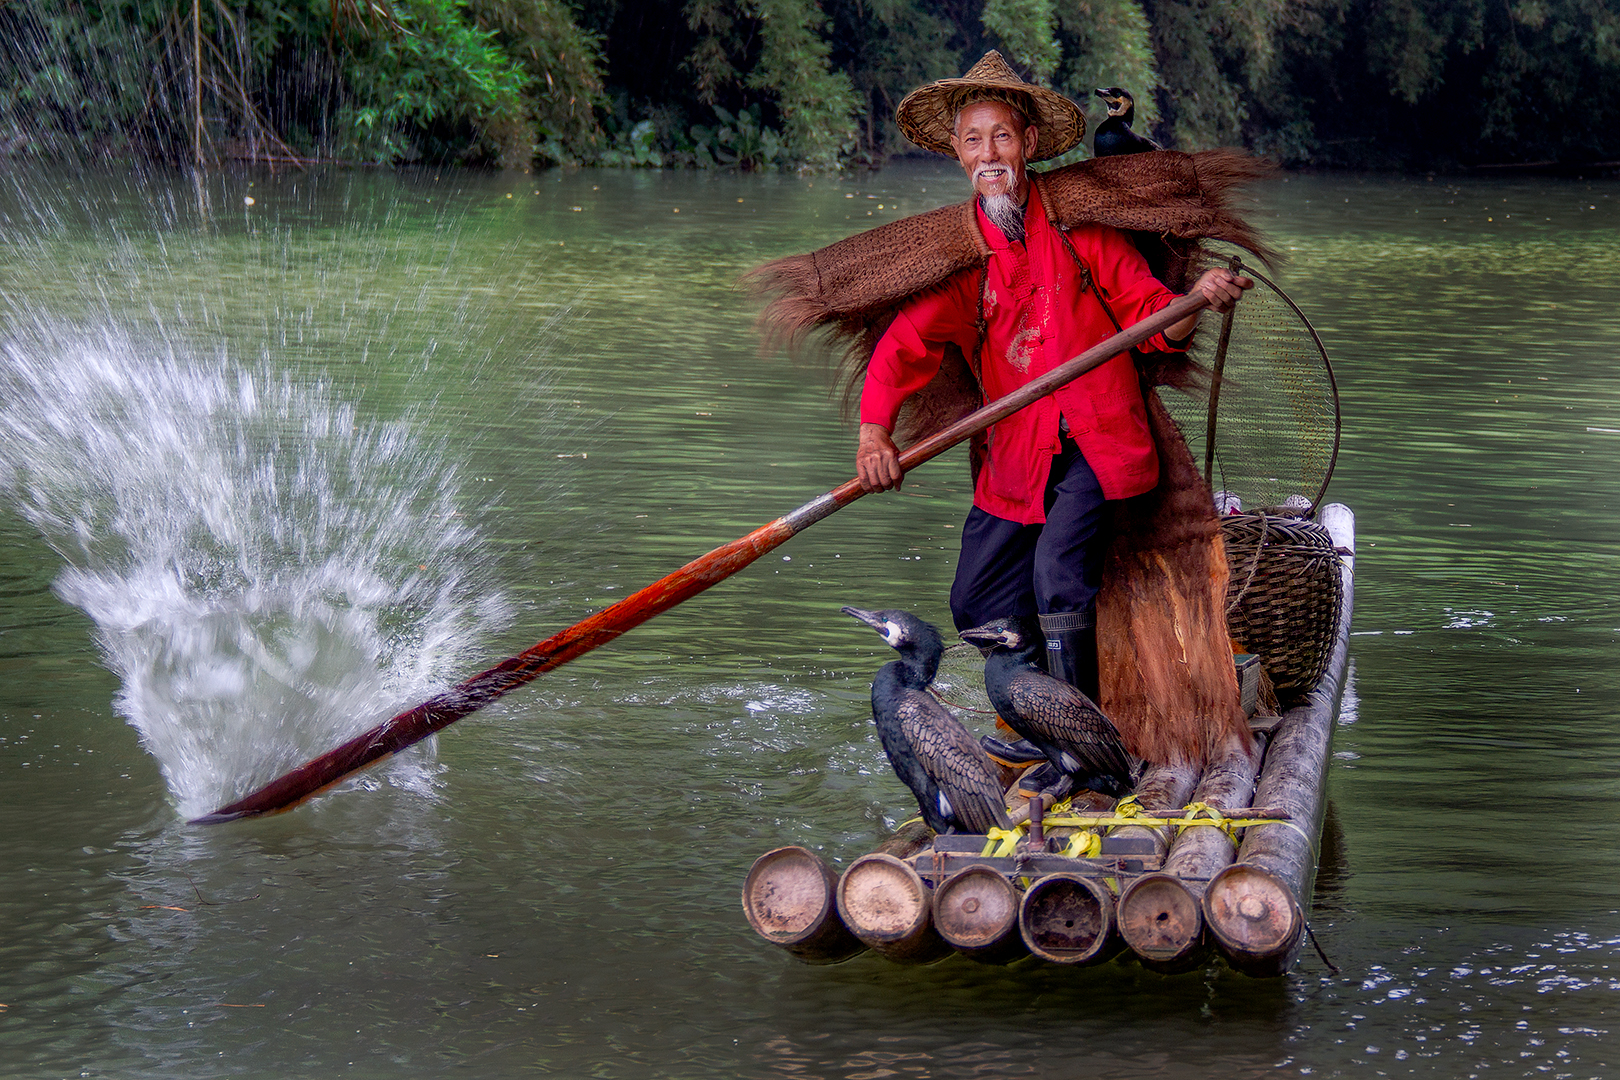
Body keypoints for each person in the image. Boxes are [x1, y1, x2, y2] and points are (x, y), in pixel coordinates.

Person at [852, 53, 1251, 699]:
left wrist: (1195, 301)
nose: (990, 154)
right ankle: (1038, 709)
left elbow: (1153, 318)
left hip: (1101, 440)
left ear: (1029, 144)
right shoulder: (962, 263)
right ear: (956, 152)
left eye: (1002, 136)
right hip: (1015, 454)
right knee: (975, 599)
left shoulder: (1081, 234)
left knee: (1057, 573)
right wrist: (875, 436)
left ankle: (1084, 736)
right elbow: (901, 349)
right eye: (974, 139)